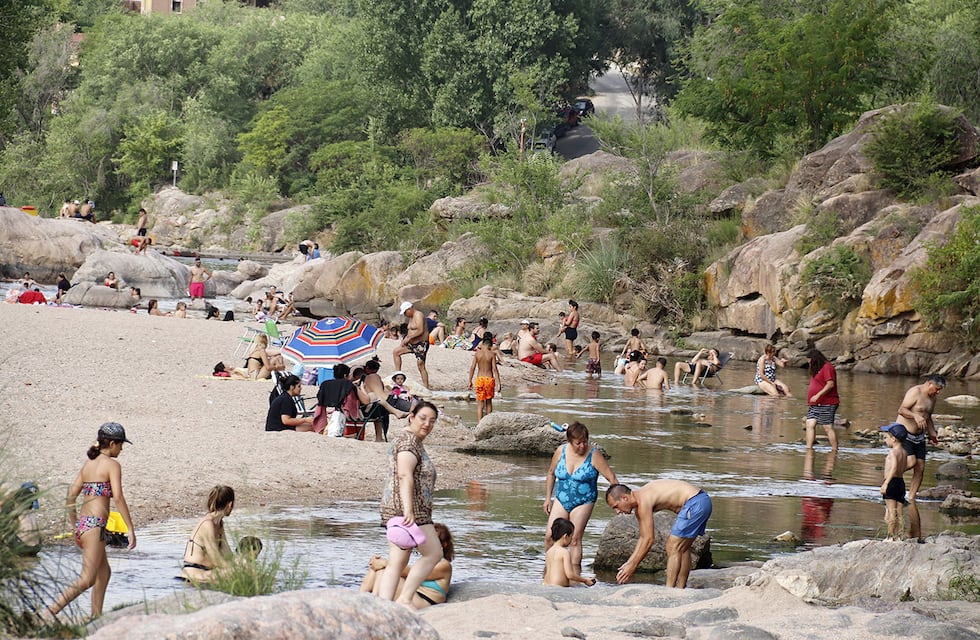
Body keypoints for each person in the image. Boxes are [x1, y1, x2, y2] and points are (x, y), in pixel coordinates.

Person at [47, 423, 136, 620]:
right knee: (87, 579)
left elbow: (70, 498)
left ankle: (96, 619)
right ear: (112, 443)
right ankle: (47, 613)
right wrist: (130, 528)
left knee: (103, 574)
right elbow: (119, 498)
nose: (121, 449)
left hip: (85, 526)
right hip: (95, 527)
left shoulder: (88, 465)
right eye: (121, 445)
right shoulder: (112, 465)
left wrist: (75, 526)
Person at [377, 401, 443, 608]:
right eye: (423, 418)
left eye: (432, 421)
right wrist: (408, 510)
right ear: (411, 416)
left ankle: (383, 605)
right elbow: (405, 475)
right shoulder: (408, 442)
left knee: (397, 561)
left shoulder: (411, 439)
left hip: (398, 508)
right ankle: (405, 598)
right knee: (433, 553)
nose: (427, 424)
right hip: (410, 509)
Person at [605, 480, 712, 588]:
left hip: (695, 502)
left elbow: (649, 539)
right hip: (702, 500)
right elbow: (643, 537)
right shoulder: (640, 502)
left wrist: (633, 565)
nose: (617, 511)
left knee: (672, 546)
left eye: (616, 506)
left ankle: (669, 590)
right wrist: (629, 563)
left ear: (624, 498)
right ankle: (680, 588)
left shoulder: (643, 500)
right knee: (683, 548)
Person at [544, 422, 618, 574]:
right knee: (550, 536)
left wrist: (616, 502)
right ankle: (549, 571)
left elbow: (613, 479)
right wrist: (547, 498)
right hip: (561, 498)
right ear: (570, 441)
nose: (582, 446)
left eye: (585, 441)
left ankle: (575, 575)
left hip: (584, 501)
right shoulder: (560, 451)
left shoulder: (594, 455)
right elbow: (551, 473)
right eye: (578, 443)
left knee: (575, 539)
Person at [360, 522, 454, 607]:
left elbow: (410, 573)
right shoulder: (425, 560)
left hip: (424, 601)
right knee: (379, 569)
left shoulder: (444, 565)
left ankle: (374, 600)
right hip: (414, 594)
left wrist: (384, 563)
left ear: (443, 544)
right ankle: (360, 596)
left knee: (386, 570)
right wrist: (377, 564)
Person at [895, 374, 944, 503]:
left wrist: (933, 433)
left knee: (920, 467)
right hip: (905, 433)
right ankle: (891, 475)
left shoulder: (933, 398)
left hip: (919, 436)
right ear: (929, 384)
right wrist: (915, 416)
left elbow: (928, 417)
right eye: (937, 389)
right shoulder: (915, 392)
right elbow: (902, 409)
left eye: (940, 390)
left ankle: (911, 498)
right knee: (911, 462)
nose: (938, 392)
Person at [181, 485, 235, 582]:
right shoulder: (207, 524)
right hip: (194, 575)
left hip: (206, 573)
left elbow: (228, 554)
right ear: (230, 504)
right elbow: (215, 559)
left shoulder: (219, 524)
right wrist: (236, 570)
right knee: (235, 574)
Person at [362, 358, 409, 442]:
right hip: (369, 410)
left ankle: (380, 437)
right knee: (382, 411)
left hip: (362, 410)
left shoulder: (362, 380)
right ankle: (380, 436)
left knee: (380, 408)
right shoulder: (373, 377)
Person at [543, 518, 597, 587]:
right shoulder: (564, 552)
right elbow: (570, 575)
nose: (571, 539)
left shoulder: (549, 551)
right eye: (571, 536)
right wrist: (585, 580)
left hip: (546, 585)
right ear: (565, 536)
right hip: (559, 588)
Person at [878, 422, 909, 540]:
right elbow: (904, 466)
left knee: (891, 512)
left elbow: (895, 467)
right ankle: (900, 535)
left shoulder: (893, 452)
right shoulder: (905, 452)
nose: (886, 440)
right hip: (901, 483)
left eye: (886, 437)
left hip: (891, 482)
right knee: (899, 513)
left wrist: (886, 483)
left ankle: (890, 536)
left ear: (893, 439)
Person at [805, 349, 839, 450]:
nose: (809, 363)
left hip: (827, 402)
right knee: (809, 423)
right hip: (815, 403)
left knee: (827, 427)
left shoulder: (827, 367)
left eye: (810, 361)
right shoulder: (816, 369)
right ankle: (809, 449)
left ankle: (835, 449)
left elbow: (830, 384)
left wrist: (818, 395)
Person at [392, 301, 430, 389]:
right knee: (396, 352)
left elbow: (420, 330)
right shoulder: (411, 317)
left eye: (405, 312)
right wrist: (405, 339)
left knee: (420, 364)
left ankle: (426, 387)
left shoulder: (418, 315)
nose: (405, 314)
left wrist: (408, 338)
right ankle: (397, 375)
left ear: (409, 309)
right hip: (411, 343)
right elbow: (411, 331)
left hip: (421, 343)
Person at [468, 333, 500, 421]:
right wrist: (498, 383)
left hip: (479, 379)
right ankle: (487, 422)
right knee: (489, 402)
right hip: (489, 379)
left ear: (482, 344)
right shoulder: (492, 354)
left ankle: (479, 424)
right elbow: (495, 369)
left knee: (480, 403)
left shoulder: (477, 354)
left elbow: (472, 368)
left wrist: (470, 381)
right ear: (490, 345)